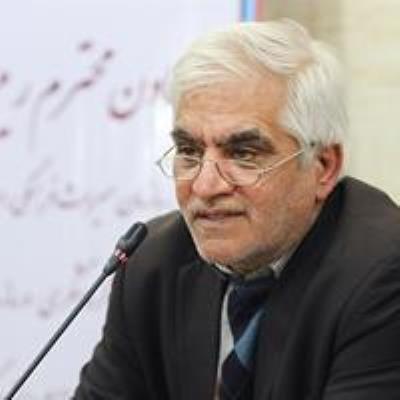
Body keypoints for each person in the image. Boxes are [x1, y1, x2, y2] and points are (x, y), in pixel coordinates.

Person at [72, 19, 400, 399]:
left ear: (323, 167)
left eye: (243, 154)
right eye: (189, 151)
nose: (205, 186)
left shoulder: (383, 272)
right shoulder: (151, 263)